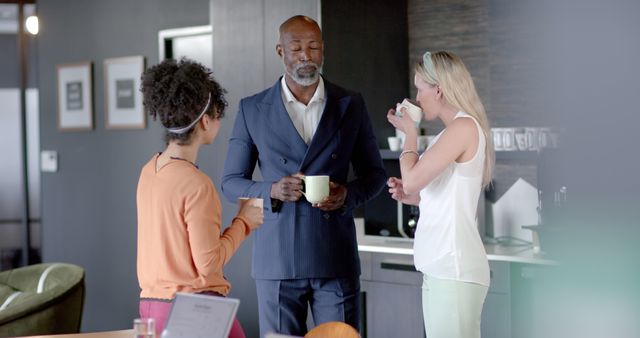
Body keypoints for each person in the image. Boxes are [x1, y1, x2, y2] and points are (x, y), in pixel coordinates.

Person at [221, 15, 386, 337]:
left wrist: (346, 196)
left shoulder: (349, 104)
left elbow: (375, 175)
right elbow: (231, 182)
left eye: (313, 47)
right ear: (280, 51)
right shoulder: (252, 109)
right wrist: (272, 189)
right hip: (277, 259)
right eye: (296, 48)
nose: (305, 55)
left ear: (323, 50)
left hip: (334, 256)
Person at [136, 58, 263, 337]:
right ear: (206, 121)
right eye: (218, 115)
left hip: (150, 310)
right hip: (193, 310)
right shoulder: (197, 184)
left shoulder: (149, 171)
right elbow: (208, 263)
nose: (219, 122)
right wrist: (244, 222)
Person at [386, 50, 495, 338]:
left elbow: (411, 180)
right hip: (443, 270)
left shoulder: (463, 127)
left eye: (420, 89)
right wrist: (409, 196)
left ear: (439, 89)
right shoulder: (451, 132)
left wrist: (409, 133)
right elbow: (432, 193)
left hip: (454, 270)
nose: (417, 98)